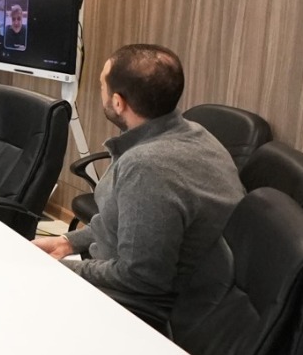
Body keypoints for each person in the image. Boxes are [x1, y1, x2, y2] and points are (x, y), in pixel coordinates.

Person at [32, 44, 244, 334]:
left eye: (102, 85)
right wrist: (68, 243)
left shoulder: (147, 167)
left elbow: (140, 277)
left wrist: (61, 269)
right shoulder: (194, 133)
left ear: (118, 103)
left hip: (136, 307)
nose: (100, 90)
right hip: (121, 273)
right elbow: (123, 222)